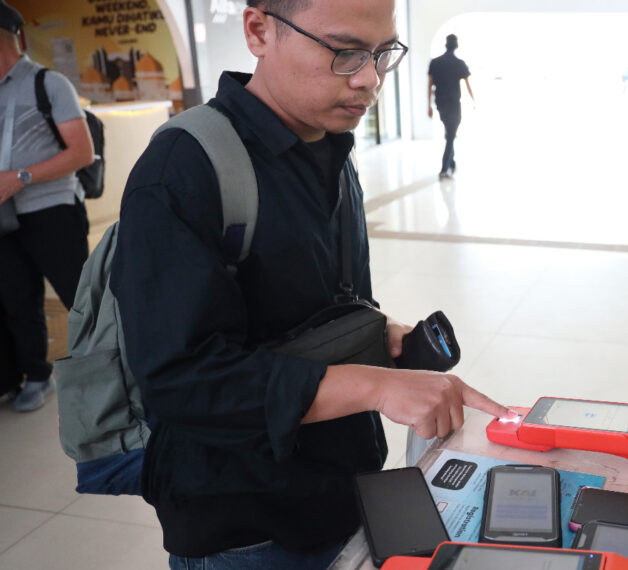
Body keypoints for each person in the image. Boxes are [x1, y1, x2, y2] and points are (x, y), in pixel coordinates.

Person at [110, 1, 508, 568]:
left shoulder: (326, 145)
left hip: (342, 490)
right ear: (258, 31)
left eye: (381, 54)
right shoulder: (185, 166)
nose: (369, 78)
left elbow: (302, 305)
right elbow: (182, 381)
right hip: (249, 523)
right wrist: (375, 388)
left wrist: (375, 333)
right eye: (344, 51)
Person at [0, 0, 94, 412]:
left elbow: (82, 153)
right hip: (4, 218)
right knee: (17, 300)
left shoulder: (48, 83)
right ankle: (37, 375)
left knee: (82, 298)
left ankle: (115, 371)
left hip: (51, 209)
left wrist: (19, 177)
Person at [427, 33, 473, 179]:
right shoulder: (459, 63)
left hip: (440, 103)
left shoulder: (435, 62)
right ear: (456, 45)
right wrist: (473, 100)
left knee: (450, 133)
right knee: (451, 136)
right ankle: (444, 169)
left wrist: (428, 105)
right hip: (454, 104)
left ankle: (451, 163)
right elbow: (468, 84)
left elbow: (429, 85)